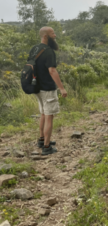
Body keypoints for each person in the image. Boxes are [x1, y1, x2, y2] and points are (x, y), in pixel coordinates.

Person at [28, 27, 67, 155]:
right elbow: (52, 70)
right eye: (52, 33)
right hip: (47, 88)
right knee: (49, 116)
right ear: (45, 36)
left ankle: (41, 139)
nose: (55, 36)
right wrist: (61, 88)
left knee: (43, 114)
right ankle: (46, 147)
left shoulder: (34, 49)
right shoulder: (49, 51)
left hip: (36, 88)